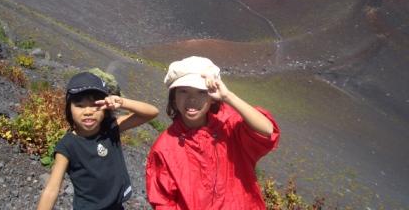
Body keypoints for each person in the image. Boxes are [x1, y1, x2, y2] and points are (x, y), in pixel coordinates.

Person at [146, 56, 280, 209]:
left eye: (201, 92)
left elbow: (267, 130)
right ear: (174, 97)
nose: (191, 99)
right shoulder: (164, 147)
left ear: (212, 97)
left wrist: (228, 96)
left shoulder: (229, 126)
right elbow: (163, 202)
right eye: (183, 91)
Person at [37, 71, 159, 210]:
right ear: (69, 109)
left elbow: (152, 112)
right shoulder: (67, 145)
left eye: (95, 105)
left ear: (105, 108)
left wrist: (122, 102)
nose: (88, 111)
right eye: (80, 105)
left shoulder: (111, 128)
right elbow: (52, 190)